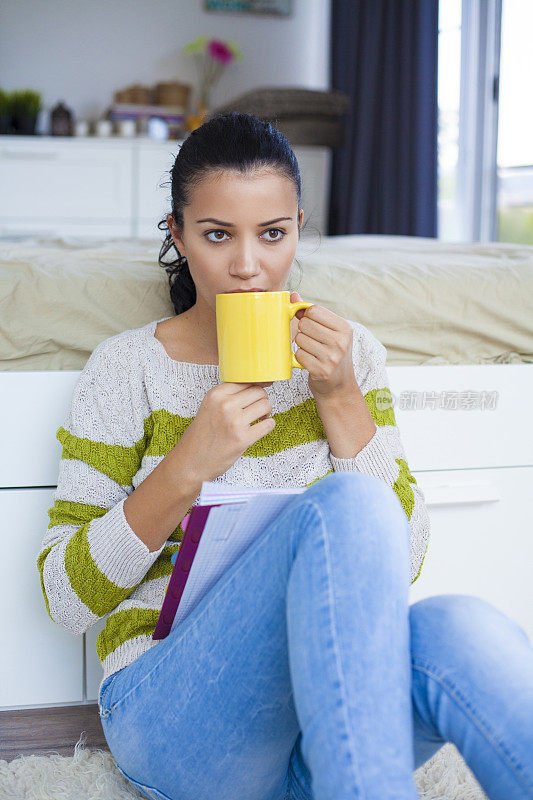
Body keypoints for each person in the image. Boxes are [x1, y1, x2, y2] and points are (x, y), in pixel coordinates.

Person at [37, 112, 533, 800]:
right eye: (216, 235)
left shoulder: (349, 353)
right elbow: (65, 597)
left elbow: (405, 557)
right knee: (349, 505)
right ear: (178, 235)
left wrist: (340, 398)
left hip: (319, 727)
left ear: (298, 225)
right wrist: (188, 465)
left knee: (459, 627)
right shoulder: (126, 368)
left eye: (272, 234)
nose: (248, 265)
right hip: (175, 716)